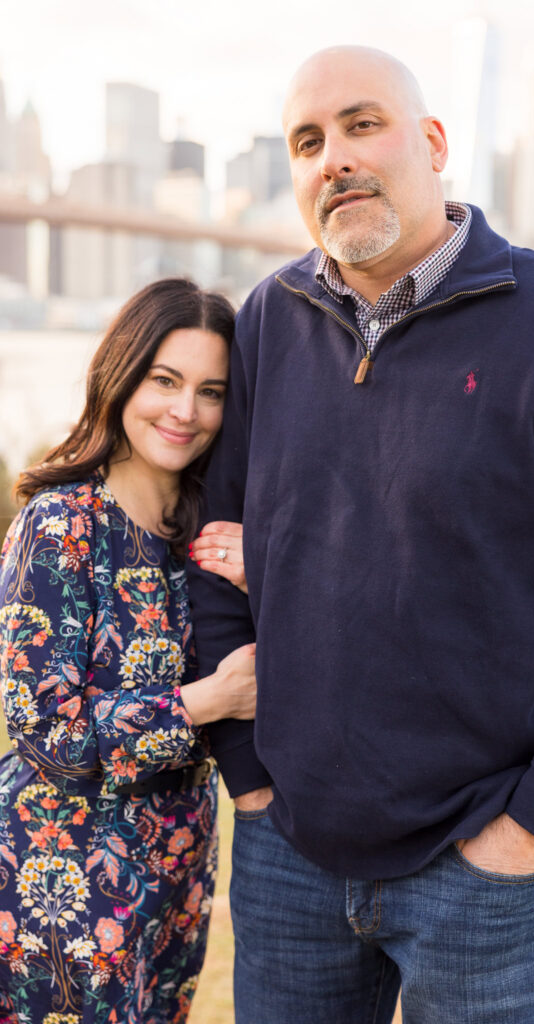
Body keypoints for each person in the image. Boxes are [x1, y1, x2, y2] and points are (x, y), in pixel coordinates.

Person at [187, 46, 534, 1024]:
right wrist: (247, 779)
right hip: (288, 857)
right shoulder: (268, 324)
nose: (333, 156)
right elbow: (218, 548)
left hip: (483, 869)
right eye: (306, 140)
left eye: (361, 124)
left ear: (432, 143)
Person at [0, 278, 257, 1024]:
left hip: (177, 863)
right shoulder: (60, 526)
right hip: (59, 871)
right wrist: (208, 700)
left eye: (211, 391)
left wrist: (268, 566)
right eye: (164, 381)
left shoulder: (214, 528)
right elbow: (47, 734)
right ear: (120, 378)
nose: (185, 411)